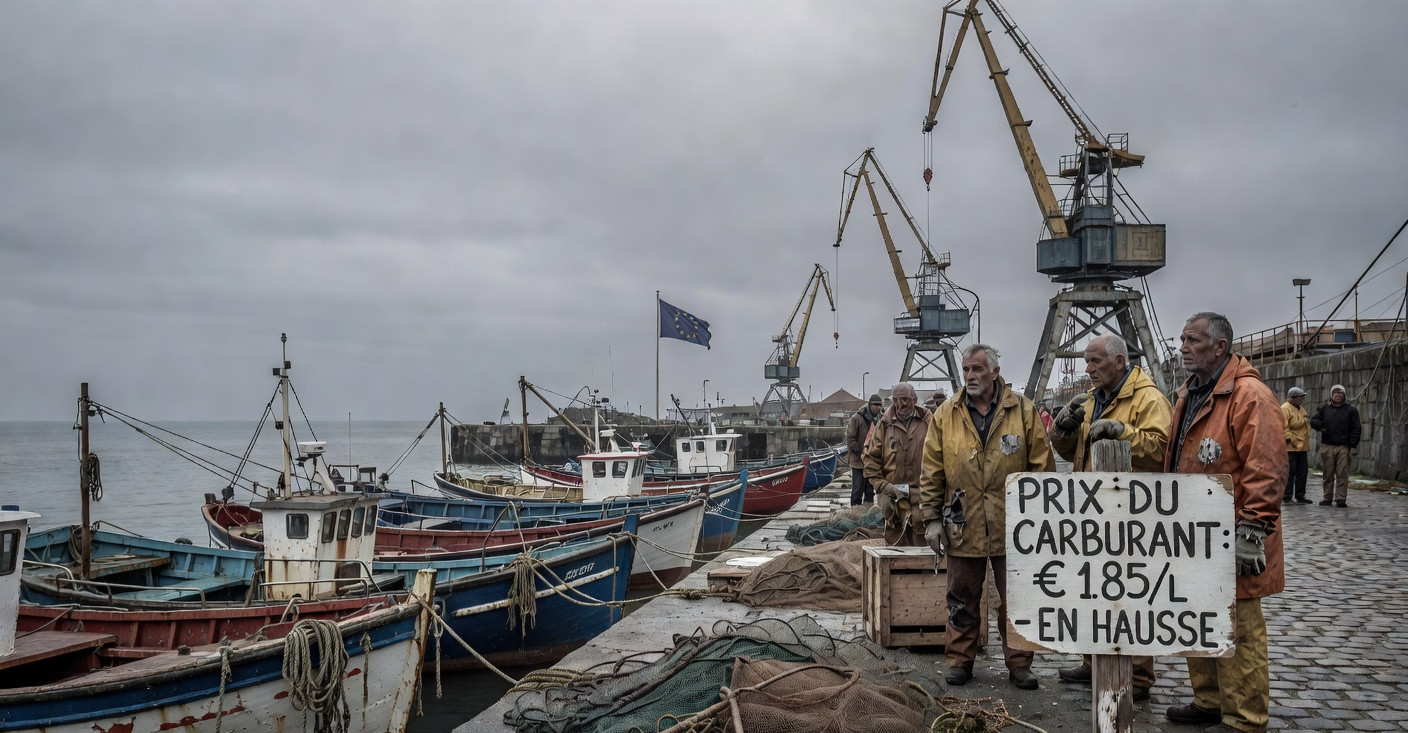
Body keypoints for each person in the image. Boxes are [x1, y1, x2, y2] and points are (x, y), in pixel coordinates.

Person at [1163, 312, 1286, 733]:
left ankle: (1246, 719)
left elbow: (1266, 465)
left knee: (1241, 628)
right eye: (1181, 339)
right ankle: (1209, 701)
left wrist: (1253, 528)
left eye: (1192, 340)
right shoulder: (1190, 393)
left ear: (1219, 347)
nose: (1182, 348)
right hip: (1194, 533)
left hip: (1236, 533)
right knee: (1197, 615)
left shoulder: (1250, 395)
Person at [917, 344, 1054, 690]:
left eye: (977, 369)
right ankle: (960, 661)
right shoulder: (946, 414)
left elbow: (1041, 466)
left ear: (994, 372)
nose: (970, 376)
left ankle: (1020, 664)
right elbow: (932, 469)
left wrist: (1041, 520)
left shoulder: (1022, 411)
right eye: (966, 370)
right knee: (961, 596)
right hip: (963, 523)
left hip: (1015, 526)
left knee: (1018, 596)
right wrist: (931, 518)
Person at [1049, 333, 1171, 701]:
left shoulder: (1148, 399)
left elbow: (1161, 449)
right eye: (1086, 362)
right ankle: (1093, 660)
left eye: (1095, 362)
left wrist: (1125, 434)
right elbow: (1071, 451)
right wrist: (1064, 428)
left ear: (1119, 362)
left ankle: (1138, 673)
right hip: (1093, 511)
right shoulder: (1090, 401)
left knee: (1132, 593)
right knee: (1092, 588)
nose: (1088, 370)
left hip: (1132, 515)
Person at [863, 383, 932, 545]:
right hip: (892, 493)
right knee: (896, 539)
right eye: (896, 399)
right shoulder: (884, 425)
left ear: (914, 400)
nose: (901, 403)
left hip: (921, 492)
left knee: (921, 533)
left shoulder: (928, 422)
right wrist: (884, 487)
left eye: (906, 399)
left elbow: (941, 454)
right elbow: (871, 460)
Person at [1309, 384, 1360, 508]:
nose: (1338, 395)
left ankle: (1341, 499)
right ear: (1331, 395)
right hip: (1327, 446)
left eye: (1340, 393)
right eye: (1335, 393)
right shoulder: (1324, 409)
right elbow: (1313, 421)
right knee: (1328, 473)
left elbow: (1356, 428)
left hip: (1343, 446)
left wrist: (1353, 446)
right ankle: (1327, 498)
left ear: (1344, 396)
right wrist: (1320, 426)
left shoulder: (1351, 410)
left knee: (1342, 473)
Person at [845, 394, 884, 506]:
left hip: (872, 461)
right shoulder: (857, 418)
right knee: (857, 488)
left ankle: (868, 510)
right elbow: (850, 437)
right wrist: (860, 451)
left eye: (879, 405)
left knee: (869, 490)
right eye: (875, 405)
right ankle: (855, 511)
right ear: (870, 404)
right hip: (858, 461)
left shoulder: (880, 420)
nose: (877, 407)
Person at [1281, 387, 1312, 505]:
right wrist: (1290, 440)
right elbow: (1284, 426)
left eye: (1302, 397)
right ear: (1292, 398)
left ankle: (1300, 495)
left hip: (1302, 446)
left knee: (1302, 472)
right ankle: (1287, 496)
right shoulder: (1284, 409)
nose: (1302, 399)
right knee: (1290, 472)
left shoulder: (1301, 409)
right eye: (1300, 397)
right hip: (1291, 446)